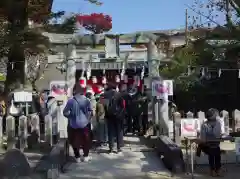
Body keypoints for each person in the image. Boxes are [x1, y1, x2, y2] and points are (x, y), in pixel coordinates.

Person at [63, 85, 92, 162]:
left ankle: (77, 157)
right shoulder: (87, 100)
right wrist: (87, 119)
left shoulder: (71, 101)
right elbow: (90, 112)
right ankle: (85, 156)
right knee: (86, 140)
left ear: (75, 91)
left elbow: (65, 112)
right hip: (85, 125)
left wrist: (71, 116)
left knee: (74, 141)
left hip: (74, 124)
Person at [199, 108, 223, 177]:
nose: (216, 116)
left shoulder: (217, 123)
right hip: (207, 146)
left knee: (216, 151)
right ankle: (215, 169)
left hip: (215, 145)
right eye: (215, 115)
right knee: (214, 151)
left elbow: (218, 134)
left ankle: (215, 169)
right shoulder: (205, 125)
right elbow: (203, 139)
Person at [104, 84, 125, 154]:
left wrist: (106, 115)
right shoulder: (119, 94)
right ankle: (118, 148)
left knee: (110, 132)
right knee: (119, 131)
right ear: (115, 87)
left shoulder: (105, 94)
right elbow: (122, 106)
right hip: (118, 116)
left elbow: (105, 106)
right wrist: (119, 114)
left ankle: (111, 148)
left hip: (109, 116)